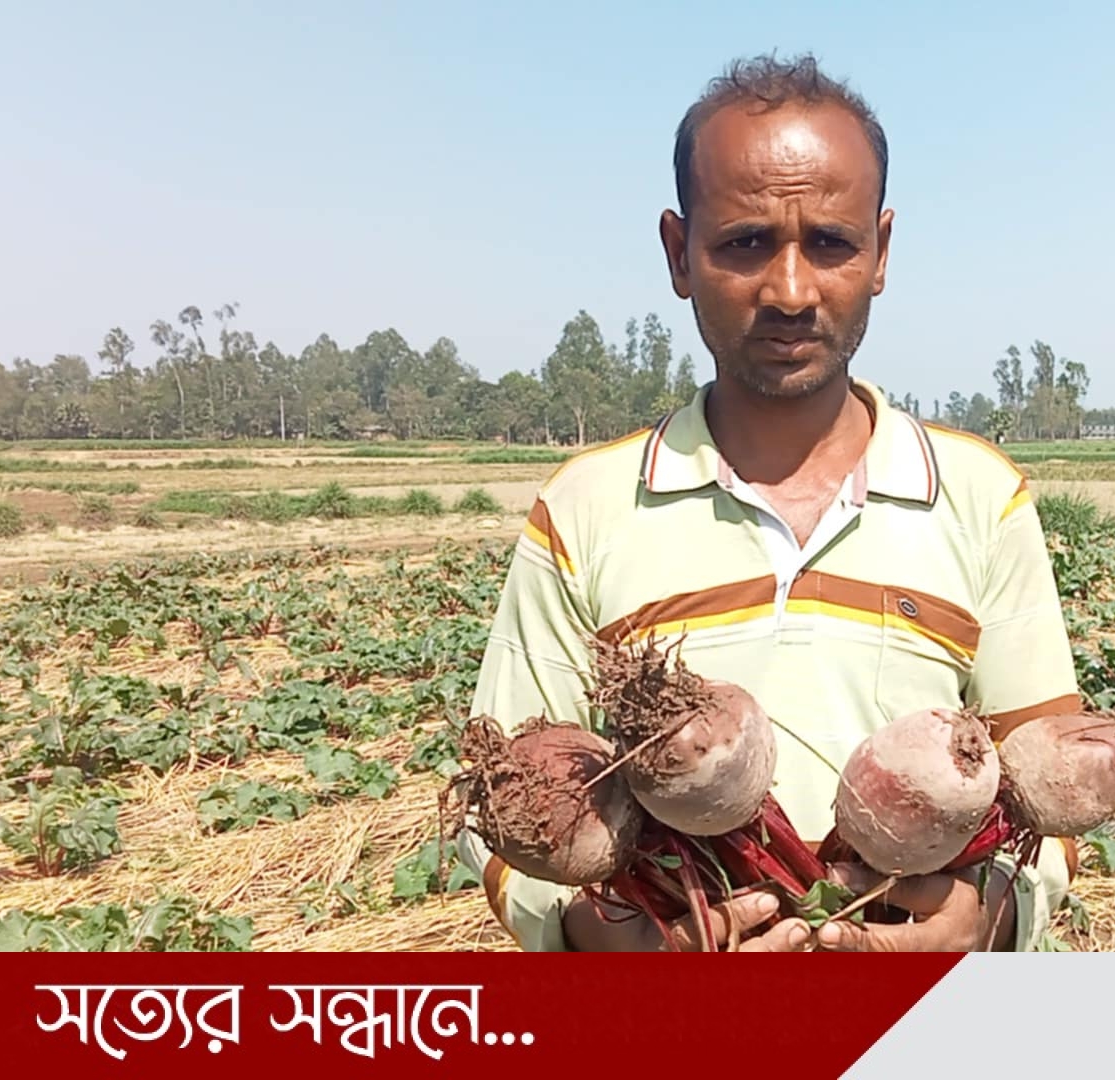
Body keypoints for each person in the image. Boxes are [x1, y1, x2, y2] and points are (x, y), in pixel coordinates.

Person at [456, 53, 1082, 952]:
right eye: (745, 243)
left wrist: (988, 919)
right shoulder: (586, 509)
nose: (791, 291)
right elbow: (506, 808)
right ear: (679, 253)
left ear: (881, 253)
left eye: (830, 243)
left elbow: (1048, 786)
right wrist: (614, 944)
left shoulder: (981, 497)